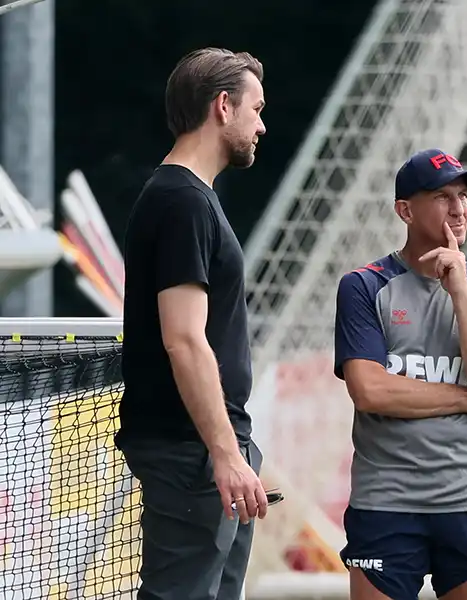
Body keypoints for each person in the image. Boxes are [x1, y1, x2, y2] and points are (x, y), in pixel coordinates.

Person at [117, 47, 269, 600]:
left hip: (208, 447)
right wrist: (225, 454)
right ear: (223, 106)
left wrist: (232, 448)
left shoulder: (189, 198)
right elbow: (183, 340)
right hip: (192, 452)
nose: (262, 125)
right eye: (256, 109)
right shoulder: (182, 201)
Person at [333, 148, 467, 600]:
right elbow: (370, 390)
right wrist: (464, 399)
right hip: (385, 502)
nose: (458, 209)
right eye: (442, 196)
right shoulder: (365, 286)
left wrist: (458, 288)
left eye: (463, 196)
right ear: (405, 210)